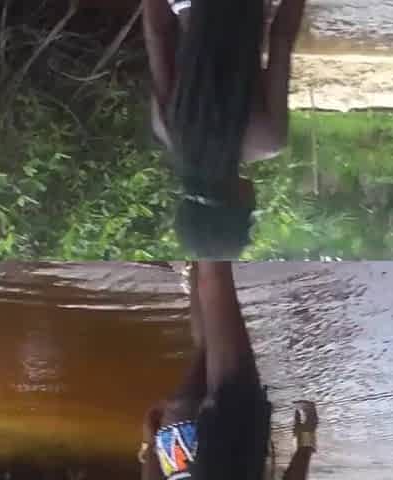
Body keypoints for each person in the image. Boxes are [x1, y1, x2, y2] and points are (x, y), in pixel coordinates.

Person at [142, 0, 307, 258]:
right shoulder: (167, 130)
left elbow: (281, 36)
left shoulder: (269, 140)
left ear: (234, 206)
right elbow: (158, 33)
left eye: (250, 217)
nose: (255, 208)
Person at [139, 261, 318, 480]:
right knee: (204, 345)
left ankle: (208, 248)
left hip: (232, 446)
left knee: (218, 287)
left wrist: (305, 443)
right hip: (178, 448)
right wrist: (149, 446)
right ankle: (192, 269)